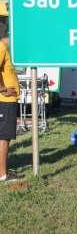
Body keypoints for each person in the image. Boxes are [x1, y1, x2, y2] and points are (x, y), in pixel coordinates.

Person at [0, 27, 22, 182]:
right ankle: (3, 175)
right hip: (5, 101)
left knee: (4, 136)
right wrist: (2, 89)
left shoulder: (5, 50)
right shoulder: (1, 47)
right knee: (4, 137)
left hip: (8, 102)